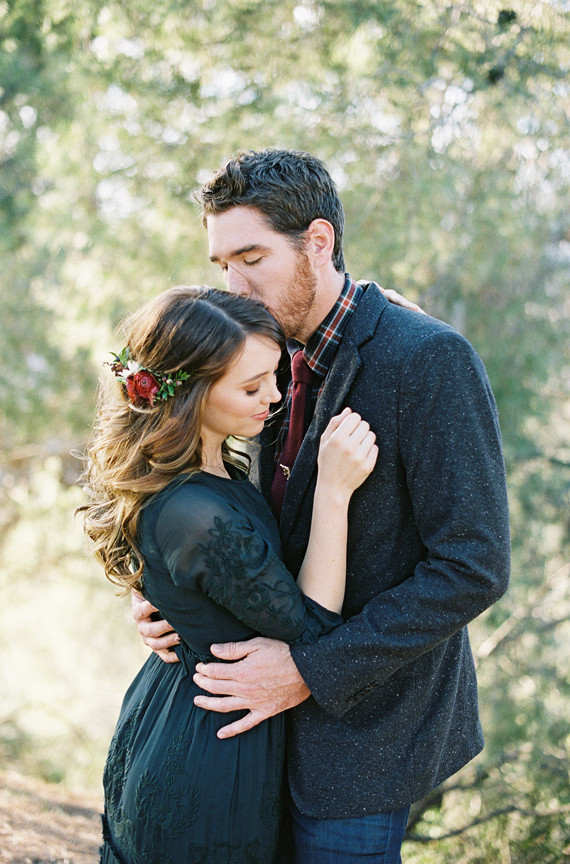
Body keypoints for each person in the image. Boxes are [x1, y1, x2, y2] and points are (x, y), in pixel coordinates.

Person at [134, 149, 511, 863]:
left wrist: (310, 669)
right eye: (222, 265)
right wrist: (169, 589)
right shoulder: (254, 353)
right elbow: (209, 495)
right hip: (247, 740)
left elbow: (474, 566)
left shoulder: (427, 358)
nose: (235, 285)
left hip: (364, 744)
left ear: (318, 241)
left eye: (252, 259)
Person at [80, 285, 378, 864]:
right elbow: (312, 630)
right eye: (251, 387)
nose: (275, 396)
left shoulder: (207, 472)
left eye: (274, 376)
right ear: (190, 394)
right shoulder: (195, 513)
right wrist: (334, 491)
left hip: (189, 719)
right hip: (207, 757)